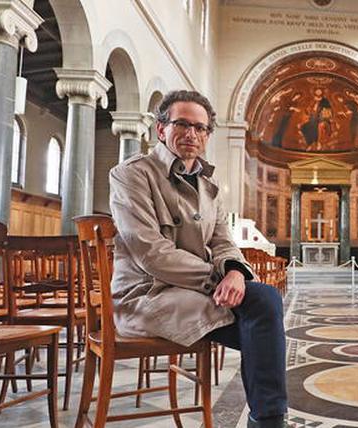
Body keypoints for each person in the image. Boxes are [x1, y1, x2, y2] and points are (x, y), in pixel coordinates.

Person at [108, 90, 288, 428]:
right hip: (147, 294)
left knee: (264, 310)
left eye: (200, 128)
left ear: (207, 135)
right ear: (161, 129)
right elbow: (150, 251)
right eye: (182, 124)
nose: (191, 134)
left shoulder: (209, 185)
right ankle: (269, 421)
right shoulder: (131, 174)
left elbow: (223, 240)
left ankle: (268, 420)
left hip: (194, 290)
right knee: (264, 321)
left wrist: (234, 271)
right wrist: (218, 280)